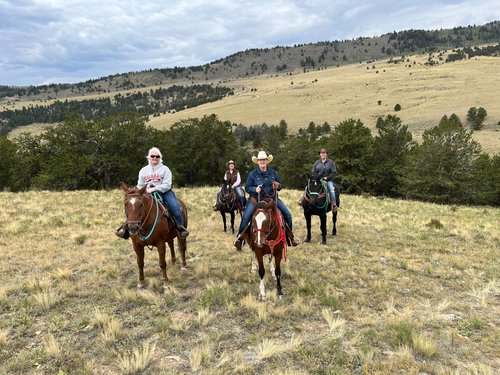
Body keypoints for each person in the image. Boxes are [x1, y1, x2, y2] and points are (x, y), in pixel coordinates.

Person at [116, 147, 189, 239]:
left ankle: (180, 229)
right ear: (149, 157)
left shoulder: (165, 169)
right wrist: (137, 191)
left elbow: (167, 184)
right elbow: (140, 184)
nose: (155, 158)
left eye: (157, 156)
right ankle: (127, 230)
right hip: (146, 194)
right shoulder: (143, 170)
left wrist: (154, 189)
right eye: (152, 156)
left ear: (160, 158)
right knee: (134, 207)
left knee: (175, 207)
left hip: (164, 192)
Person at [233, 151, 300, 250]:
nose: (262, 162)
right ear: (258, 162)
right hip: (255, 199)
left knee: (287, 214)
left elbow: (280, 185)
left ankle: (289, 238)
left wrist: (278, 185)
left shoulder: (273, 173)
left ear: (267, 161)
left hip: (272, 198)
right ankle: (240, 239)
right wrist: (254, 189)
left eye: (264, 160)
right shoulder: (252, 174)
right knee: (246, 217)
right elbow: (247, 188)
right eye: (260, 160)